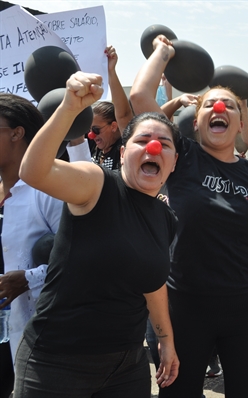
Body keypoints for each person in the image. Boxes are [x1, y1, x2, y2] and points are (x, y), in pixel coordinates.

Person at [129, 35, 248, 398]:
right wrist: (164, 53)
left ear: (240, 123)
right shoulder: (181, 157)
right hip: (185, 309)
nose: (219, 107)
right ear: (197, 120)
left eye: (230, 105)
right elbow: (140, 99)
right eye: (210, 105)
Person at [14, 72, 179, 397]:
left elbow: (153, 281)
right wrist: (69, 106)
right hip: (56, 363)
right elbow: (33, 172)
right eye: (142, 141)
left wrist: (165, 340)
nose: (154, 147)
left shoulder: (166, 217)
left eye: (164, 144)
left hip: (126, 366)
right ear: (122, 154)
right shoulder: (96, 183)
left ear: (173, 163)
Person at [0, 93, 91, 398]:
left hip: (41, 338)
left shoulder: (47, 189)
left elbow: (83, 253)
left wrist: (27, 279)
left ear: (17, 133)